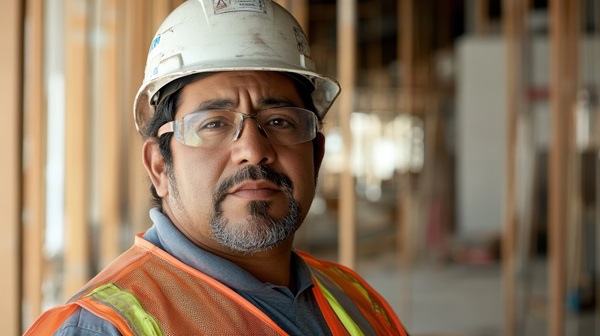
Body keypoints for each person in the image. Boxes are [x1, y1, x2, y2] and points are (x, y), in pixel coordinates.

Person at [26, 1, 407, 335]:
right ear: (159, 166)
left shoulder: (352, 296)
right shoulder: (104, 329)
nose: (253, 150)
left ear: (316, 155)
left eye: (279, 122)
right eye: (214, 124)